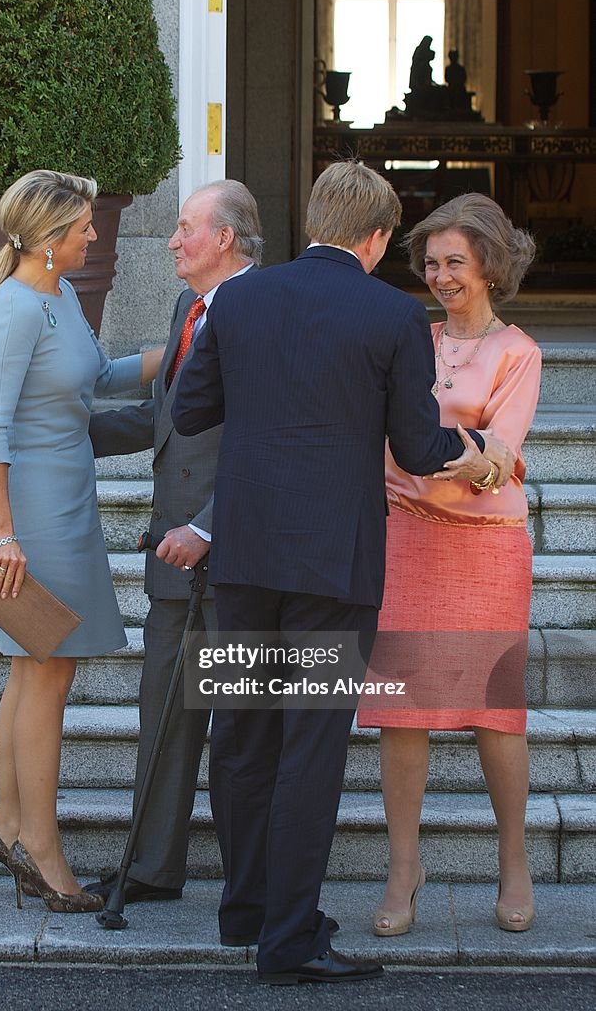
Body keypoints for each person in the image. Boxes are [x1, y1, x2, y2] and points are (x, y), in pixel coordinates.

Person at [171, 161, 512, 984]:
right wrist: (475, 456)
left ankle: (243, 911)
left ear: (313, 218)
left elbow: (189, 411)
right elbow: (413, 446)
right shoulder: (391, 313)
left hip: (243, 552)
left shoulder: (241, 297)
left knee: (244, 734)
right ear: (379, 236)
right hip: (332, 561)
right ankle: (288, 940)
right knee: (309, 747)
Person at [0, 169, 162, 913]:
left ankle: (8, 825)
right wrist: (4, 535)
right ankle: (41, 850)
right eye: (84, 226)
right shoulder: (17, 308)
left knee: (32, 672)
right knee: (48, 671)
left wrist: (180, 344)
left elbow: (99, 378)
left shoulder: (62, 295)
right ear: (52, 238)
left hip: (66, 500)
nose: (94, 234)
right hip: (31, 516)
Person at [357, 193, 540, 936]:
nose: (439, 276)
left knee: (497, 716)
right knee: (401, 711)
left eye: (454, 263)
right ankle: (404, 869)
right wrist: (454, 453)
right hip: (404, 538)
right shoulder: (411, 334)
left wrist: (429, 454)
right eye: (429, 263)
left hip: (486, 549)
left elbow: (501, 455)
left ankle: (515, 860)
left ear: (489, 266)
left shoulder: (517, 351)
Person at [84, 181, 263, 908]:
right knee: (162, 714)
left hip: (239, 556)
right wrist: (59, 436)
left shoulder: (264, 311)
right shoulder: (187, 309)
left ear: (223, 238)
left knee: (243, 738)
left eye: (185, 227)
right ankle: (152, 869)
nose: (170, 239)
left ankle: (253, 888)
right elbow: (163, 418)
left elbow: (268, 441)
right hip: (170, 561)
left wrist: (211, 525)